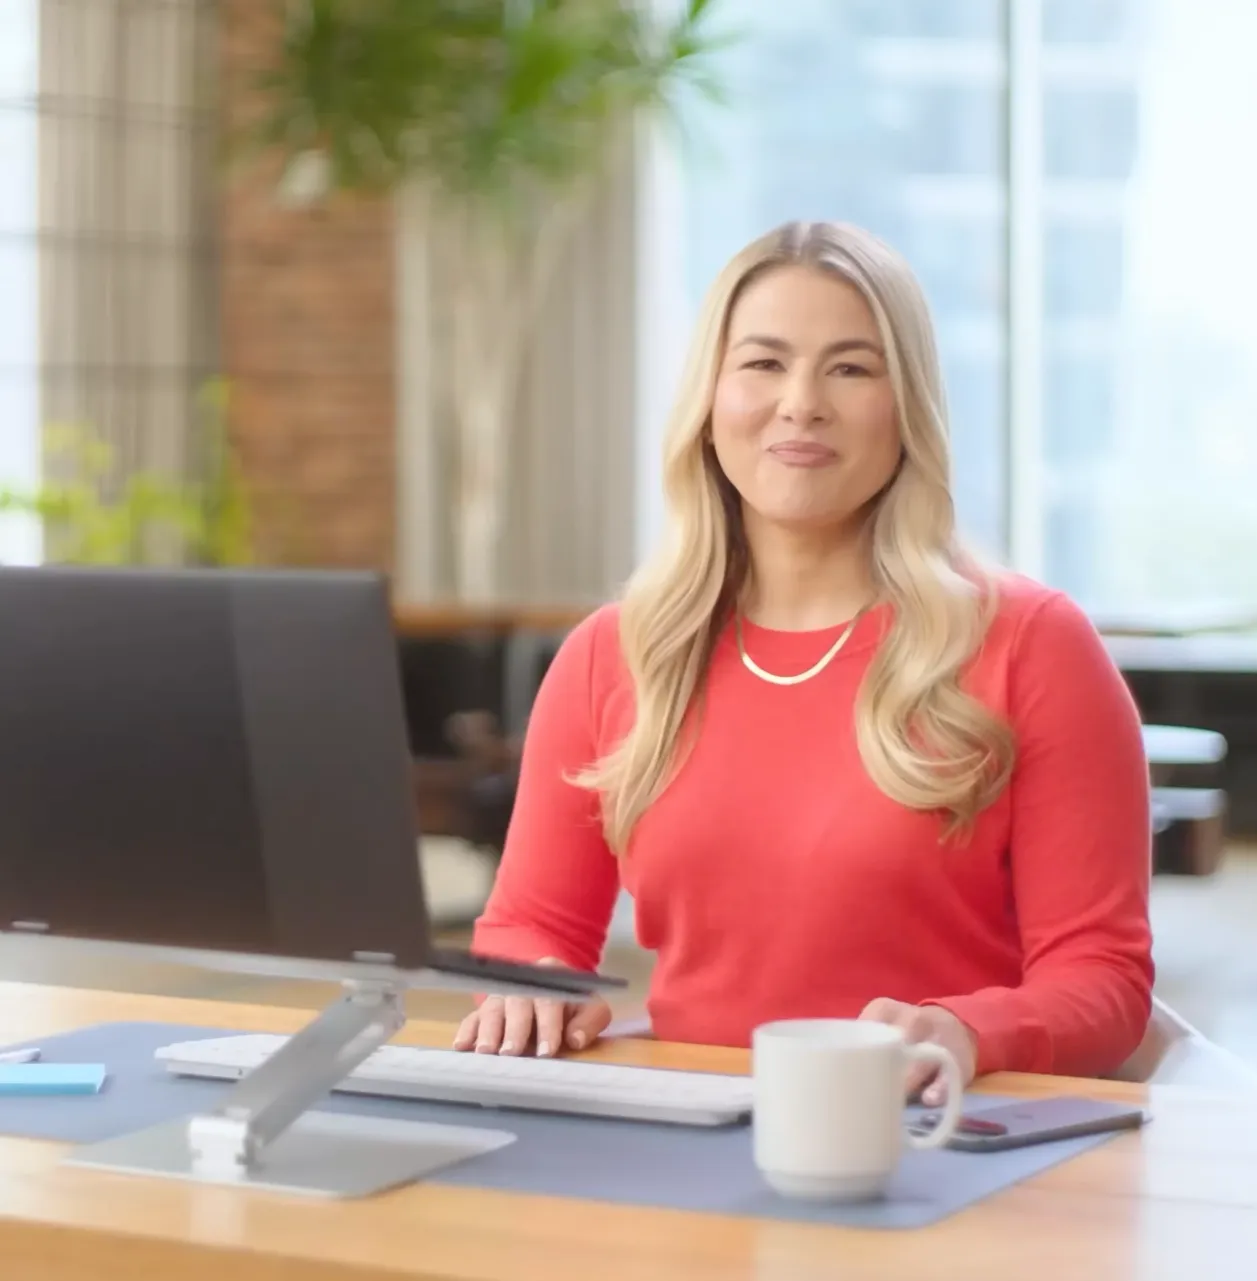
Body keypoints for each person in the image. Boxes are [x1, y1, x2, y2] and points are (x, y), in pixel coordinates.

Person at [452, 220, 1154, 1103]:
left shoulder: (1033, 645)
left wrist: (970, 1031)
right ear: (710, 397)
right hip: (685, 1152)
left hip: (937, 1142)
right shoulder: (614, 652)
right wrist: (529, 989)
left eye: (851, 368)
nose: (801, 403)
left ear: (907, 407)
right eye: (762, 363)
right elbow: (529, 924)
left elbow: (1104, 979)